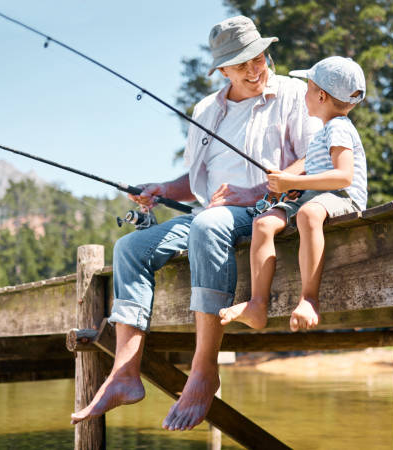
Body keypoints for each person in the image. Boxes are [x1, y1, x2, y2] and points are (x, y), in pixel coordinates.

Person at [70, 15, 321, 431]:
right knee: (129, 248)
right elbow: (196, 181)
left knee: (210, 224)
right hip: (212, 214)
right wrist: (161, 187)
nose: (256, 68)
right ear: (222, 70)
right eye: (242, 64)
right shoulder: (206, 110)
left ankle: (204, 369)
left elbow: (313, 159)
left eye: (259, 57)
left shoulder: (293, 94)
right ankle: (125, 373)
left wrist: (257, 192)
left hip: (270, 209)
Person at [219, 56, 367, 332]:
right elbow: (315, 172)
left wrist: (292, 182)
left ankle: (309, 299)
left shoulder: (339, 128)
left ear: (321, 95)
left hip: (343, 196)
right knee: (263, 223)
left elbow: (344, 176)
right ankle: (257, 305)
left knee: (310, 214)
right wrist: (293, 185)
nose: (304, 94)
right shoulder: (325, 132)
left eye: (308, 88)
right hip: (316, 196)